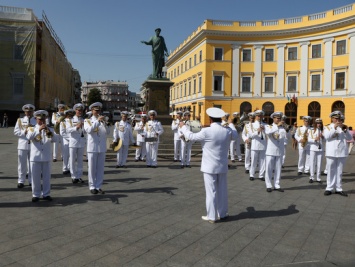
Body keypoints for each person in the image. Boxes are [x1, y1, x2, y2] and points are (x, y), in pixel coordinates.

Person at [179, 107, 235, 223]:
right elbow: (235, 135)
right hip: (222, 165)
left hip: (209, 166)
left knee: (211, 192)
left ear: (210, 119)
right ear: (220, 119)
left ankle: (212, 216)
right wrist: (230, 123)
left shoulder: (207, 131)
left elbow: (191, 136)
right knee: (222, 191)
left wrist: (183, 127)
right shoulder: (227, 130)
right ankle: (223, 213)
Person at [26, 110, 58, 202]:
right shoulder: (31, 129)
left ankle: (46, 194)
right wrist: (38, 130)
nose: (42, 121)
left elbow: (55, 139)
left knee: (46, 177)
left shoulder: (50, 129)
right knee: (35, 177)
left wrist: (48, 130)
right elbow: (29, 137)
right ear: (36, 119)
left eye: (43, 119)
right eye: (40, 119)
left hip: (46, 157)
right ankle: (35, 194)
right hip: (35, 157)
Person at [323, 111, 352, 197]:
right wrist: (334, 128)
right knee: (331, 170)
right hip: (331, 152)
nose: (338, 120)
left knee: (339, 171)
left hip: (342, 152)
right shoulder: (327, 127)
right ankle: (329, 188)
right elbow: (327, 137)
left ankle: (339, 188)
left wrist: (345, 130)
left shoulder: (344, 127)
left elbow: (350, 138)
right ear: (332, 119)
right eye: (336, 118)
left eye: (339, 119)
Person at [84, 102, 110, 194]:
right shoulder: (87, 121)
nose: (97, 112)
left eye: (99, 110)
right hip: (92, 148)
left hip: (101, 147)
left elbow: (108, 132)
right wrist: (98, 121)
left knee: (100, 168)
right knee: (91, 168)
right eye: (96, 110)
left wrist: (105, 124)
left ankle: (98, 186)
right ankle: (92, 186)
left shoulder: (102, 121)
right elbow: (89, 130)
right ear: (92, 110)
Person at [14, 104, 37, 188]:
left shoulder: (36, 120)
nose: (29, 113)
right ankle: (21, 180)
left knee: (32, 164)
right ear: (24, 112)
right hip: (22, 145)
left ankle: (31, 180)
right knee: (22, 164)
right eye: (27, 111)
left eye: (30, 111)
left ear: (33, 112)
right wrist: (25, 132)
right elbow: (16, 132)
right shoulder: (20, 120)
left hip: (33, 145)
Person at [264, 112, 287, 192]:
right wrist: (277, 126)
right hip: (270, 151)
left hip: (279, 151)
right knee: (269, 168)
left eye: (279, 118)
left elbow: (283, 138)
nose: (278, 119)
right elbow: (268, 133)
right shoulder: (268, 126)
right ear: (273, 118)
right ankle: (268, 185)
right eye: (277, 118)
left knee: (278, 169)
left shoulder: (282, 129)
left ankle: (277, 184)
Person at [66, 103, 86, 184]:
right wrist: (76, 127)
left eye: (81, 110)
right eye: (78, 110)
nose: (79, 112)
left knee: (80, 160)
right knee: (72, 160)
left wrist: (84, 127)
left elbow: (86, 131)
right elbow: (68, 130)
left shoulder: (84, 120)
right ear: (75, 110)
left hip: (81, 141)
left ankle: (79, 176)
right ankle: (73, 176)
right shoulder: (70, 120)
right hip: (73, 142)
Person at [249, 110, 267, 181]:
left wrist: (264, 130)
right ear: (255, 116)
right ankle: (251, 174)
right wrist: (258, 131)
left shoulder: (265, 125)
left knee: (262, 161)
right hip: (255, 145)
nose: (259, 117)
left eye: (261, 116)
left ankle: (261, 175)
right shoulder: (252, 125)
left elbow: (268, 134)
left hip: (263, 145)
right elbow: (251, 135)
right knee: (253, 161)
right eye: (258, 116)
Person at [308, 118, 324, 183]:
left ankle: (318, 178)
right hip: (313, 148)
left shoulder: (323, 131)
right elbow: (309, 140)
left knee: (319, 163)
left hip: (320, 149)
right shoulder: (311, 130)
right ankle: (311, 177)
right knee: (312, 163)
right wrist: (315, 139)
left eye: (320, 123)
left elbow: (326, 140)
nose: (319, 124)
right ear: (315, 124)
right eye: (317, 123)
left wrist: (323, 137)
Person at [59, 109, 74, 175]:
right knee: (66, 154)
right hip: (66, 140)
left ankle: (70, 167)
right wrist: (69, 138)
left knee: (72, 154)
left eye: (71, 115)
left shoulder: (74, 121)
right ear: (66, 115)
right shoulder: (63, 122)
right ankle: (65, 168)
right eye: (69, 115)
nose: (70, 116)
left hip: (73, 140)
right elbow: (62, 133)